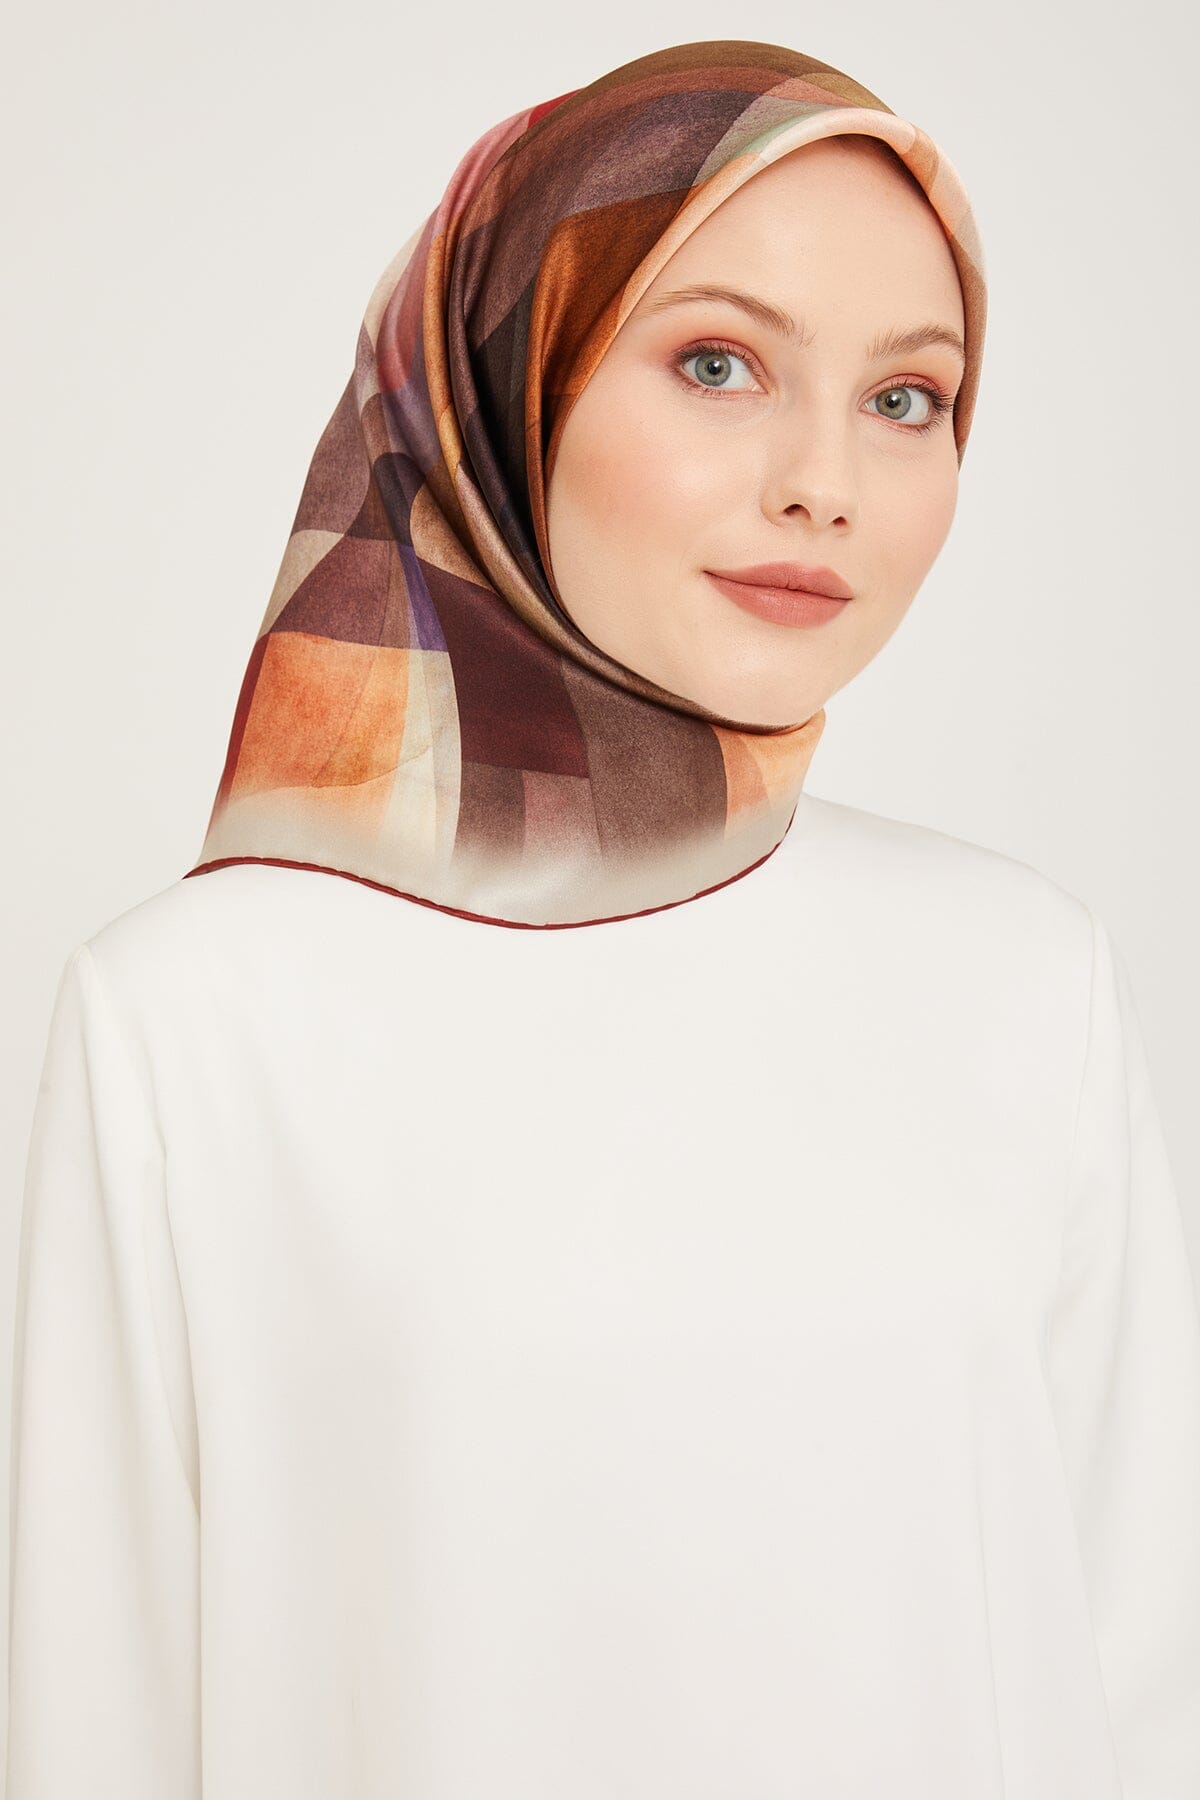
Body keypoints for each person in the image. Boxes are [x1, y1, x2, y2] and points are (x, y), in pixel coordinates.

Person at [7, 37, 1200, 1799]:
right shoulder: (195, 1020)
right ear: (512, 374)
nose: (826, 481)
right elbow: (101, 1721)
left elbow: (1139, 1691)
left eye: (908, 396)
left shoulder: (1027, 981)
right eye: (718, 362)